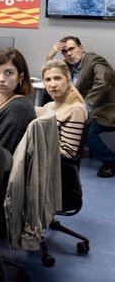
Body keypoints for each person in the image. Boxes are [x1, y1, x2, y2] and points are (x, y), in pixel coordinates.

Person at [46, 36, 115, 177]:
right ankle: (71, 151)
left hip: (107, 109)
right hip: (87, 109)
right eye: (64, 52)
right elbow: (51, 72)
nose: (68, 54)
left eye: (71, 49)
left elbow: (103, 81)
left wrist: (86, 106)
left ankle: (111, 161)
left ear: (81, 48)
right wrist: (51, 55)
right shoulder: (68, 66)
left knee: (87, 130)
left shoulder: (95, 60)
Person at [0, 47, 36, 154]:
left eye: (8, 72)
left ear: (20, 77)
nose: (1, 79)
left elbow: (0, 155)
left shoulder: (18, 108)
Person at [42, 59, 88, 159]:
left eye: (57, 78)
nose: (53, 85)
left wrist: (35, 147)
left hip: (53, 167)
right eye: (48, 80)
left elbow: (68, 154)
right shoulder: (47, 106)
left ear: (68, 79)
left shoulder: (75, 110)